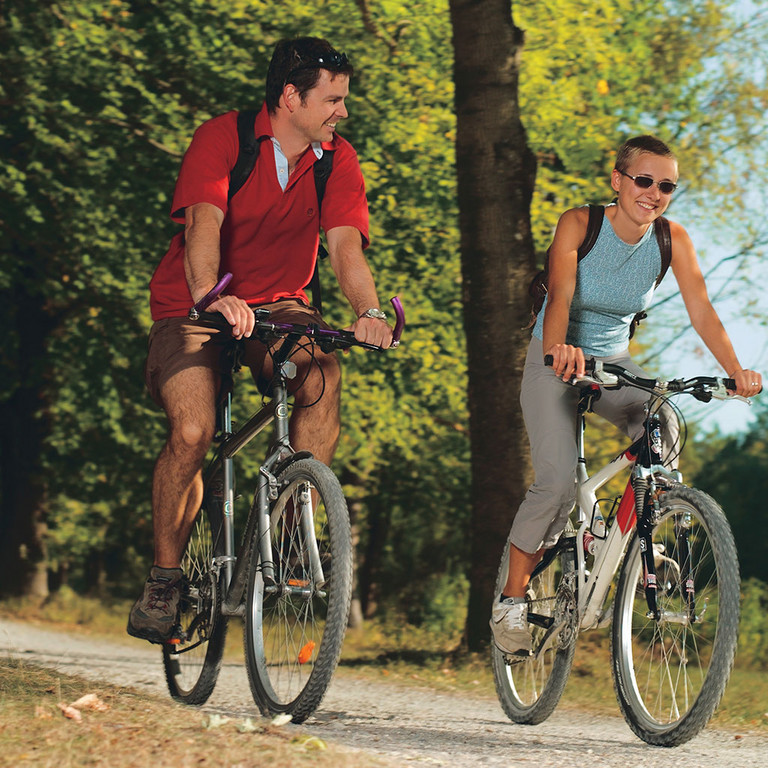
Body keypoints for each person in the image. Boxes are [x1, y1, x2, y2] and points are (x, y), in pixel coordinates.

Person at [128, 37, 393, 644]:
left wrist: (369, 310)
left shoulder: (335, 159)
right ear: (291, 96)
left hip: (278, 304)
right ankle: (165, 579)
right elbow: (204, 225)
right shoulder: (223, 138)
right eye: (332, 100)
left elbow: (345, 245)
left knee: (320, 373)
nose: (341, 113)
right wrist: (211, 295)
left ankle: (297, 524)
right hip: (193, 305)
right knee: (193, 431)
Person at [490, 135, 763, 655]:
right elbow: (561, 295)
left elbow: (701, 310)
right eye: (644, 180)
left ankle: (637, 539)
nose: (654, 193)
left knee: (665, 425)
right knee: (554, 485)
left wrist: (735, 372)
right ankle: (511, 600)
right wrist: (558, 349)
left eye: (666, 186)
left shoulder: (671, 239)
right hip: (558, 358)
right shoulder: (580, 223)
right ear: (618, 180)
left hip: (615, 364)